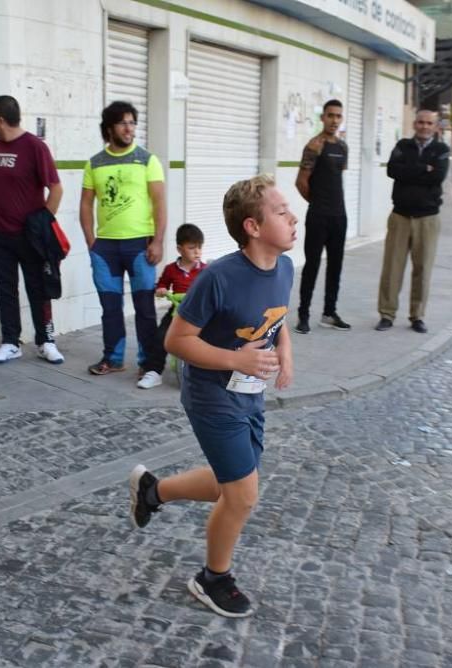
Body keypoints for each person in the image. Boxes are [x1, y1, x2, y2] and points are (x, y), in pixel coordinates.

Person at [127, 175, 296, 618]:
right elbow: (177, 342)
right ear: (253, 227)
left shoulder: (284, 267)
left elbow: (277, 317)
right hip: (209, 394)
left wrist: (285, 353)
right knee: (242, 495)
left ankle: (153, 491)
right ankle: (213, 578)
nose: (293, 216)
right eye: (281, 211)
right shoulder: (217, 278)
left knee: (231, 481)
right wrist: (235, 360)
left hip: (249, 394)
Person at [79, 101, 166, 376]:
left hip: (140, 244)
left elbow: (160, 201)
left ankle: (148, 364)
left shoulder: (147, 160)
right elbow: (85, 204)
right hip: (105, 249)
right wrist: (91, 241)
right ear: (109, 128)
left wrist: (158, 241)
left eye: (132, 122)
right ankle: (113, 358)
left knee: (144, 308)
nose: (129, 128)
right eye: (123, 123)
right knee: (110, 308)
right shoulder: (94, 163)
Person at [0, 95, 66, 365]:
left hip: (29, 237)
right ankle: (10, 342)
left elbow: (56, 189)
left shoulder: (35, 147)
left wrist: (42, 224)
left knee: (38, 289)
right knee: (6, 289)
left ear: (0, 119)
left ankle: (46, 341)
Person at [376, 109, 450, 334]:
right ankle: (387, 314)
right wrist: (423, 169)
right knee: (392, 268)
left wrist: (410, 171)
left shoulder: (441, 150)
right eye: (421, 122)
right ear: (414, 124)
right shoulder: (402, 146)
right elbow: (392, 170)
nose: (424, 126)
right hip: (400, 216)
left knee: (423, 269)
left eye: (429, 123)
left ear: (435, 127)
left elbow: (438, 176)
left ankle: (417, 316)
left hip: (427, 218)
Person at [293, 99, 351, 334]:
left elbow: (337, 178)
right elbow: (301, 182)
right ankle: (303, 315)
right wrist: (316, 203)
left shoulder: (343, 147)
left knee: (335, 266)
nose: (334, 120)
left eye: (338, 116)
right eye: (330, 116)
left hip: (340, 216)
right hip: (318, 216)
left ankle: (329, 312)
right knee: (312, 265)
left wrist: (332, 206)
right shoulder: (314, 146)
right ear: (323, 117)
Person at [138, 224, 207, 389]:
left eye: (199, 247)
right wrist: (161, 289)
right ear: (179, 249)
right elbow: (162, 284)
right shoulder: (171, 269)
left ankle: (204, 371)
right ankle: (154, 371)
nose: (197, 252)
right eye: (192, 248)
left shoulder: (205, 270)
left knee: (208, 338)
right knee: (161, 336)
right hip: (177, 310)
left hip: (199, 313)